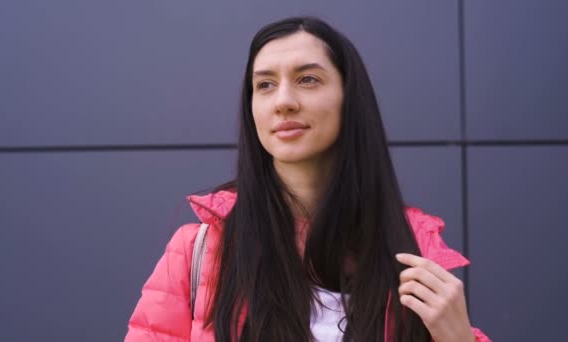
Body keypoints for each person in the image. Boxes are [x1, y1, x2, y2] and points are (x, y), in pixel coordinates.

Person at [125, 16, 490, 342]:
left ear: (350, 98)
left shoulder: (412, 251)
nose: (283, 100)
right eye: (264, 85)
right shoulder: (199, 252)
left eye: (308, 79)